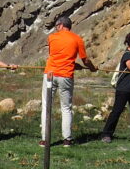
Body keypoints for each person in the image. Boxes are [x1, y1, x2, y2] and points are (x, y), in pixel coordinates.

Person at [41, 16, 97, 147]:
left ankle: (45, 139)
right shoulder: (77, 39)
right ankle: (67, 139)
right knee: (66, 108)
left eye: (56, 25)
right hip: (66, 75)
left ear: (61, 25)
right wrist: (92, 68)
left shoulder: (52, 38)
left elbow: (55, 55)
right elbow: (85, 60)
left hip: (50, 74)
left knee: (46, 106)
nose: (55, 28)